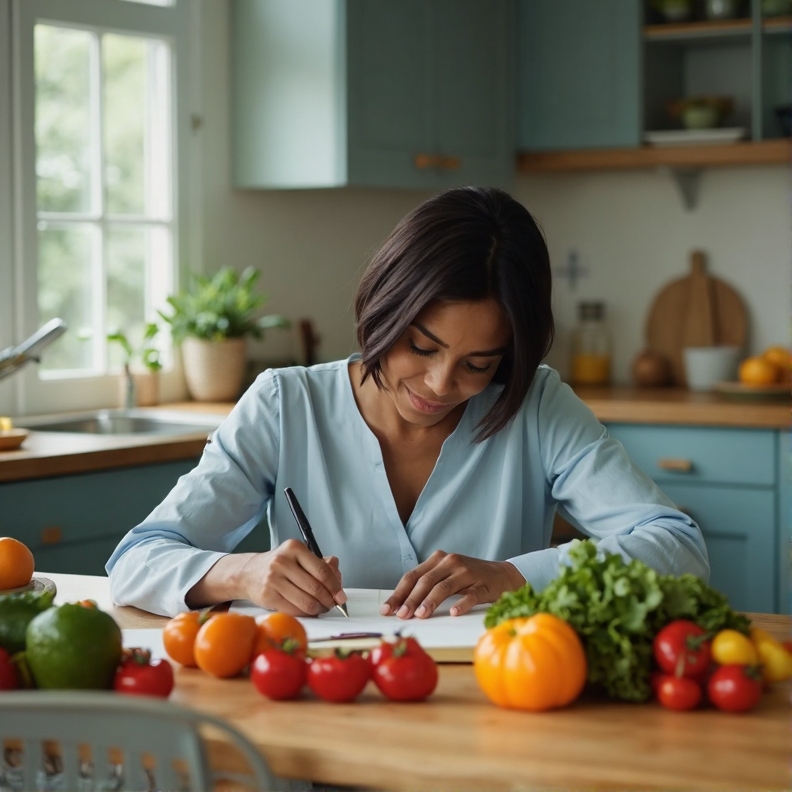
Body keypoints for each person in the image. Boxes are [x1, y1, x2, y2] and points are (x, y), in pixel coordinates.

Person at [107, 186, 709, 619]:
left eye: (479, 364)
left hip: (496, 704)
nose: (440, 384)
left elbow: (678, 547)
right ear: (383, 306)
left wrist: (513, 575)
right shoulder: (285, 405)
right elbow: (137, 559)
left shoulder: (537, 406)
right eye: (420, 346)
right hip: (317, 702)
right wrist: (240, 572)